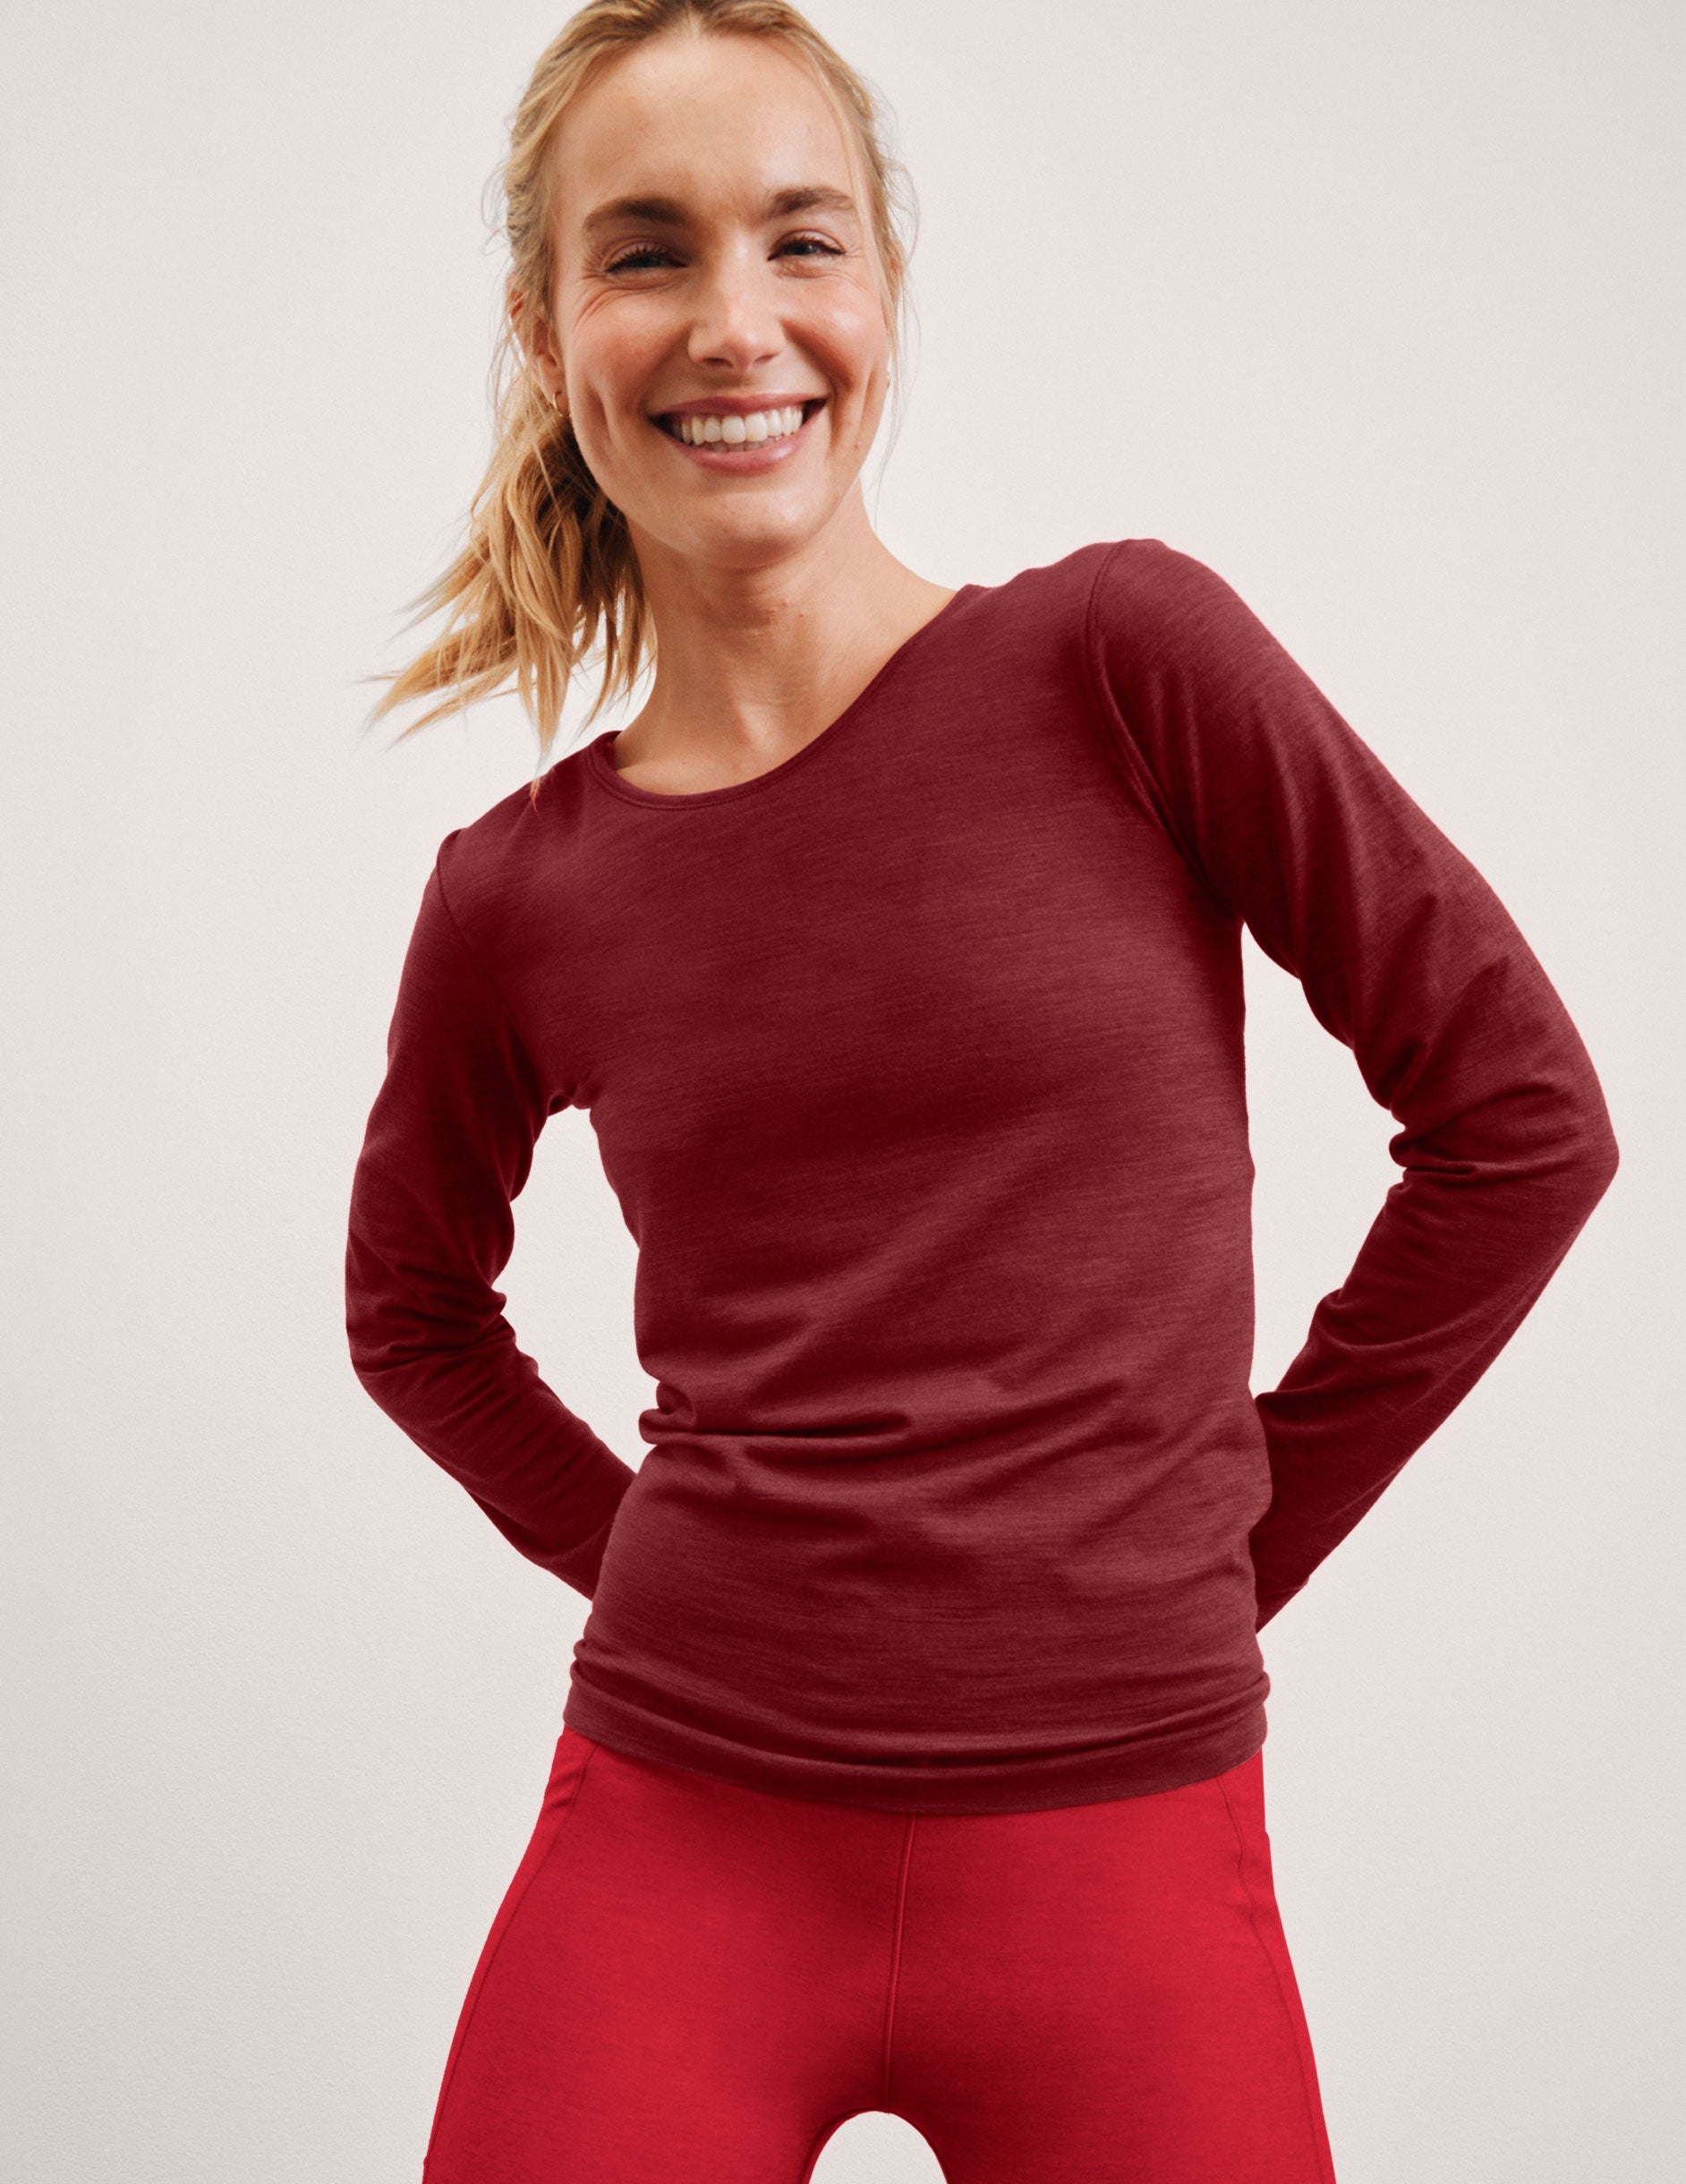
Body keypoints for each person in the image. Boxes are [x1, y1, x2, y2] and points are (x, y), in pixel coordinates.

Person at [344, 4, 1620, 2179]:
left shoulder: (1127, 659)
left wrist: (1224, 1539)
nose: (733, 321)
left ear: (886, 285)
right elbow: (411, 1315)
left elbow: (1522, 1117)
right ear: (547, 332)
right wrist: (650, 1559)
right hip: (682, 1827)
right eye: (645, 249)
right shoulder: (516, 891)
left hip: (1128, 1840)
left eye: (799, 238)